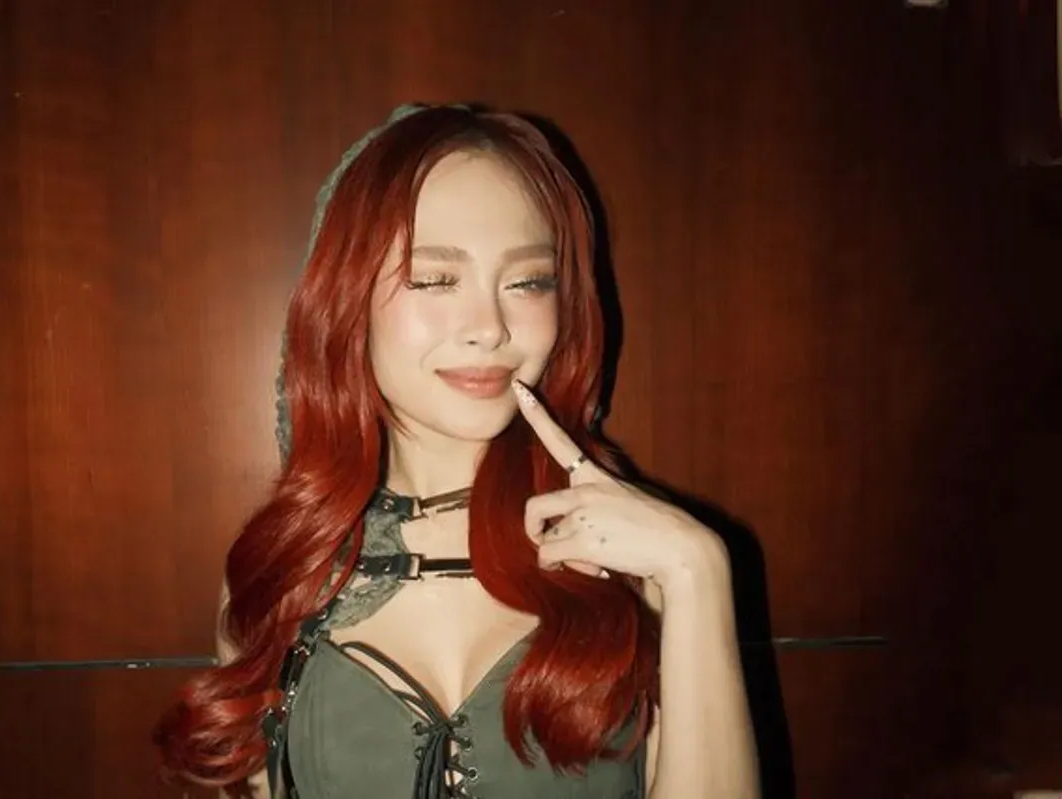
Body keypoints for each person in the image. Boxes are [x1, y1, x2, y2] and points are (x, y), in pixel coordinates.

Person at [154, 103, 760, 799]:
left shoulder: (636, 561)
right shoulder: (285, 568)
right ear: (347, 299)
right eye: (435, 279)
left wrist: (697, 571)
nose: (489, 327)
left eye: (528, 281)